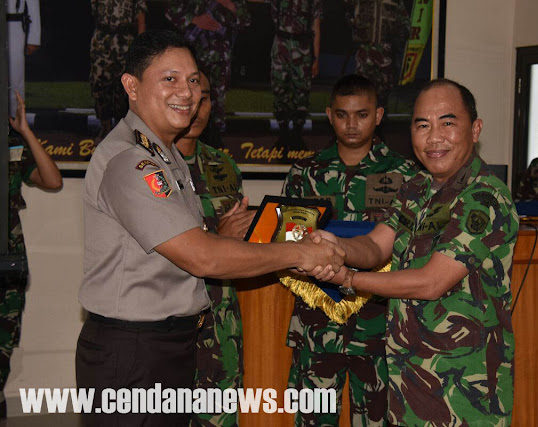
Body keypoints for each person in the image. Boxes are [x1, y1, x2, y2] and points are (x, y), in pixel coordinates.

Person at [76, 30, 344, 427]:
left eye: (193, 80)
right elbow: (202, 257)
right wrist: (302, 252)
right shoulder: (132, 161)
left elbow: (198, 245)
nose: (187, 92)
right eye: (170, 79)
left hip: (165, 346)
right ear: (132, 86)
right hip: (134, 351)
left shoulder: (167, 156)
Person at [307, 78, 519, 425]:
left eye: (447, 123)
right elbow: (376, 245)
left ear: (475, 129)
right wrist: (336, 246)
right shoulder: (416, 188)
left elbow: (431, 282)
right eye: (423, 125)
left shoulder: (484, 197)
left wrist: (348, 279)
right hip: (409, 375)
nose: (434, 137)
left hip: (464, 383)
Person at [281, 74, 418, 426]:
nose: (352, 124)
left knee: (377, 420)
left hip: (379, 324)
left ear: (379, 115)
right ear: (330, 116)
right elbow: (287, 245)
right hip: (317, 323)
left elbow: (409, 248)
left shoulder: (406, 174)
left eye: (362, 114)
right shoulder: (305, 173)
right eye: (342, 115)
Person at [175, 72, 253, 427]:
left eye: (203, 98)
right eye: (188, 97)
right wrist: (219, 236)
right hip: (172, 323)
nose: (196, 107)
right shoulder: (151, 166)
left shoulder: (224, 166)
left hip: (222, 322)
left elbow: (237, 244)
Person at [1, 91, 62, 419]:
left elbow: (53, 180)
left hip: (8, 262)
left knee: (4, 341)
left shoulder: (11, 144)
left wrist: (24, 131)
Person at [165, 0, 251, 147]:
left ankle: (216, 137)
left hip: (220, 55)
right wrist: (195, 19)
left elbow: (245, 20)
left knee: (218, 97)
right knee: (191, 95)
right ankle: (189, 137)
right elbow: (170, 10)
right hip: (195, 55)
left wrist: (229, 6)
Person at [89, 0, 146, 141]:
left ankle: (124, 130)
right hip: (102, 42)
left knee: (125, 88)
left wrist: (140, 45)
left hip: (125, 42)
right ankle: (105, 128)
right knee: (99, 84)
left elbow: (141, 17)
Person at [270, 0, 321, 147]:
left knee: (302, 92)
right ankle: (283, 133)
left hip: (302, 49)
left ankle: (298, 134)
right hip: (281, 47)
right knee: (279, 89)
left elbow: (316, 27)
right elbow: (275, 17)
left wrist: (316, 58)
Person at [346, 0, 410, 108]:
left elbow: (406, 25)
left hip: (385, 55)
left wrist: (399, 38)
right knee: (361, 94)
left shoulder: (395, 2)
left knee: (382, 97)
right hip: (364, 54)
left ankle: (380, 117)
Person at [7, 0, 40, 116]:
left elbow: (33, 6)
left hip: (15, 27)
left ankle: (16, 117)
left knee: (15, 77)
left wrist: (34, 38)